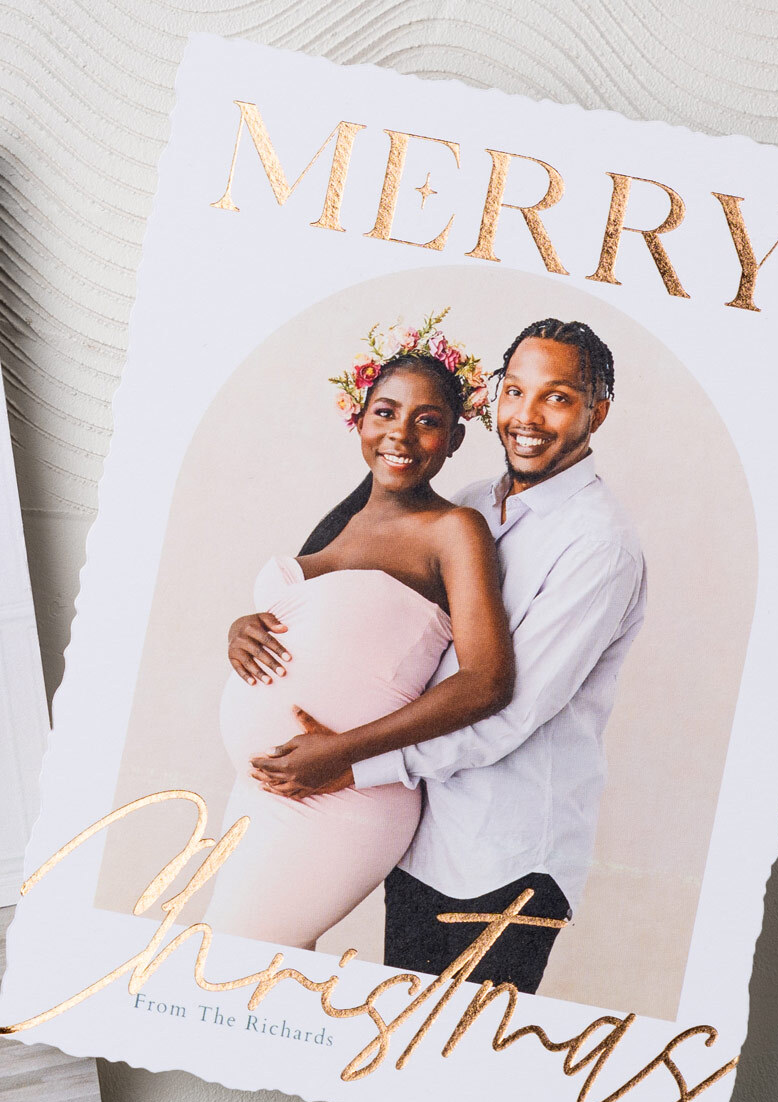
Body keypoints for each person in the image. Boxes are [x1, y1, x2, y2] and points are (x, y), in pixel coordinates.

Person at [247, 319, 647, 994]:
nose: (526, 416)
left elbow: (507, 708)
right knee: (398, 1047)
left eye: (556, 397)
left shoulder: (598, 547)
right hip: (421, 839)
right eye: (514, 390)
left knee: (455, 1063)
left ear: (597, 410)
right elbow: (349, 587)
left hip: (504, 861)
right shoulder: (469, 505)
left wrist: (350, 761)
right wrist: (259, 616)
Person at [208, 333, 514, 947]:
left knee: (233, 962)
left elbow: (488, 681)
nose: (401, 433)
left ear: (454, 439)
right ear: (360, 417)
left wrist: (344, 751)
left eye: (428, 421)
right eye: (386, 412)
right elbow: (307, 616)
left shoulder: (454, 529)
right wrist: (240, 629)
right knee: (258, 976)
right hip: (264, 788)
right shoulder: (341, 521)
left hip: (338, 797)